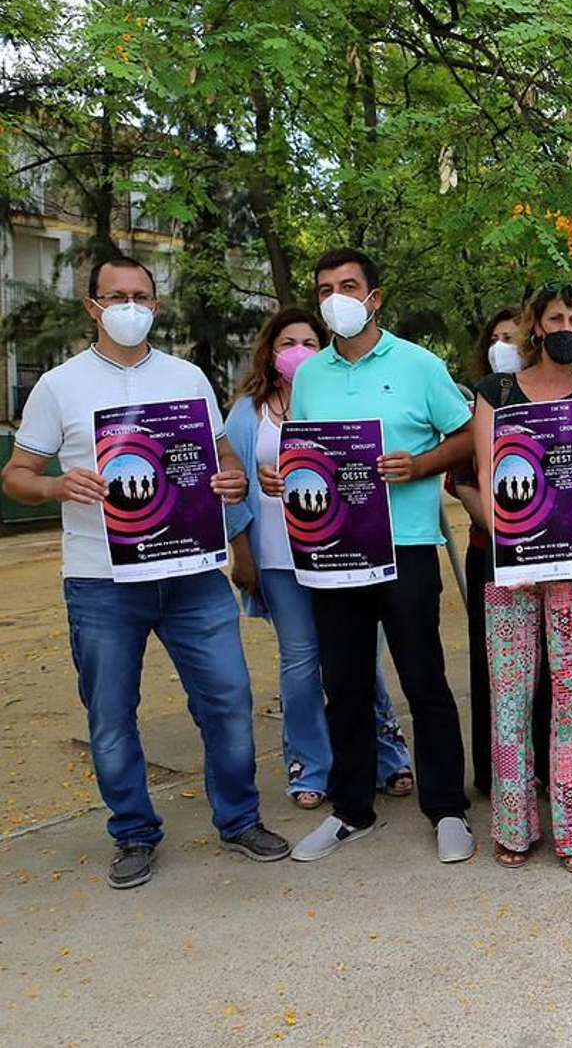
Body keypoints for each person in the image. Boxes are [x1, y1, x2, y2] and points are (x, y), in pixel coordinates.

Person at [0, 255, 289, 888]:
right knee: (109, 716)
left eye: (141, 296)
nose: (129, 307)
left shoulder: (188, 378)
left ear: (154, 308)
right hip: (101, 580)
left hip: (191, 574)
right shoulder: (59, 385)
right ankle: (132, 833)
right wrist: (56, 486)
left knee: (228, 701)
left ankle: (239, 820)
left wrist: (231, 481)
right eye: (116, 296)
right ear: (93, 307)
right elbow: (15, 476)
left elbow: (225, 466)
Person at [263, 247, 477, 864]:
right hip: (333, 552)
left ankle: (446, 808)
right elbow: (306, 452)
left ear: (374, 297)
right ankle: (351, 809)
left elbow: (465, 434)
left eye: (349, 285)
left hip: (406, 545)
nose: (336, 297)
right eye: (326, 287)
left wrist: (421, 464)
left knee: (424, 679)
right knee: (346, 684)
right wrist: (286, 477)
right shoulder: (310, 376)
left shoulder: (419, 364)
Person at [222, 307, 415, 810]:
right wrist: (242, 556)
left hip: (342, 551)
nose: (298, 352)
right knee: (302, 661)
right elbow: (233, 488)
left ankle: (387, 754)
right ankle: (310, 763)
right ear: (271, 351)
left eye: (309, 341)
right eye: (288, 342)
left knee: (359, 657)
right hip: (280, 556)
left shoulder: (333, 396)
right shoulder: (248, 412)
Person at [471, 284, 572, 871]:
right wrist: (515, 550)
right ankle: (513, 826)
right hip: (510, 564)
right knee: (509, 697)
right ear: (535, 326)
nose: (565, 326)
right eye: (555, 317)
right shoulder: (496, 392)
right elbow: (487, 475)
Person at [446, 305, 523, 796]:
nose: (504, 346)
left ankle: (542, 767)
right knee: (493, 668)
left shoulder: (558, 401)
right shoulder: (482, 402)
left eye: (513, 337)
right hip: (491, 552)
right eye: (496, 337)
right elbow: (463, 481)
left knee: (546, 665)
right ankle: (496, 774)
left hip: (555, 556)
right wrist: (504, 530)